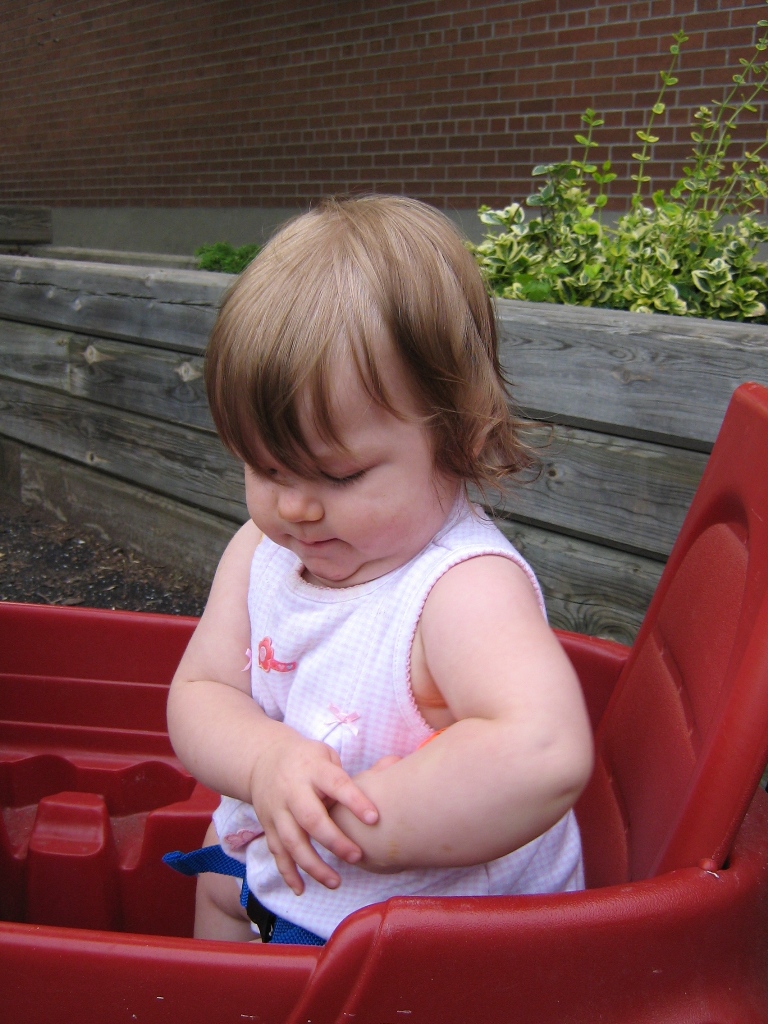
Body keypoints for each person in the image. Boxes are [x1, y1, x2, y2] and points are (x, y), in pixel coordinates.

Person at [165, 195, 593, 946]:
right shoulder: (261, 550)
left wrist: (359, 821)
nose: (294, 507)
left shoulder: (460, 590)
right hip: (277, 852)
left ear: (459, 436)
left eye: (339, 475)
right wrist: (264, 761)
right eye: (265, 467)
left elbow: (543, 751)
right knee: (217, 885)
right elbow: (202, 692)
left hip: (418, 928)